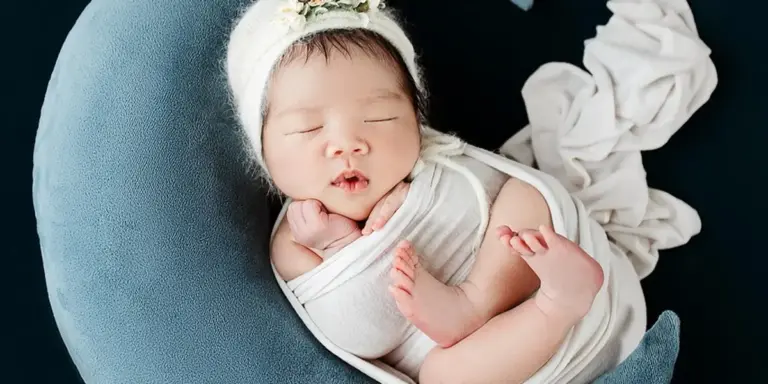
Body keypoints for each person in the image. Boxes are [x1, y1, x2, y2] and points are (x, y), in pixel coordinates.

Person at [226, 1, 617, 382]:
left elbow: (481, 187)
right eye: (308, 129)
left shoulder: (429, 162)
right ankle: (558, 306)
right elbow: (363, 332)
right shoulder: (295, 242)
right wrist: (340, 247)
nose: (348, 144)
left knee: (526, 195)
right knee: (442, 376)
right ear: (264, 153)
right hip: (512, 358)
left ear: (416, 119)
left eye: (379, 117)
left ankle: (475, 302)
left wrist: (417, 195)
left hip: (538, 268)